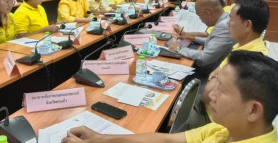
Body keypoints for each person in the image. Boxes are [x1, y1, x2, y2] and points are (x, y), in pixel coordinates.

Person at [62, 50, 278, 143]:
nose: (210, 93)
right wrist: (98, 139)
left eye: (221, 89)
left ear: (253, 110)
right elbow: (165, 139)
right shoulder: (226, 129)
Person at [188, 0, 270, 129]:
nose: (227, 23)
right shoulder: (242, 45)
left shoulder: (251, 60)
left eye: (231, 19)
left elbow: (209, 93)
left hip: (213, 121)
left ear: (247, 25)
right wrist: (215, 77)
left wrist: (214, 77)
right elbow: (214, 76)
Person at [169, 0, 235, 78]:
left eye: (199, 16)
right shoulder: (225, 18)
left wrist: (179, 48)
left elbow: (204, 58)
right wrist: (191, 37)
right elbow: (213, 41)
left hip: (208, 72)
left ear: (207, 13)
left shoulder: (224, 26)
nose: (200, 19)